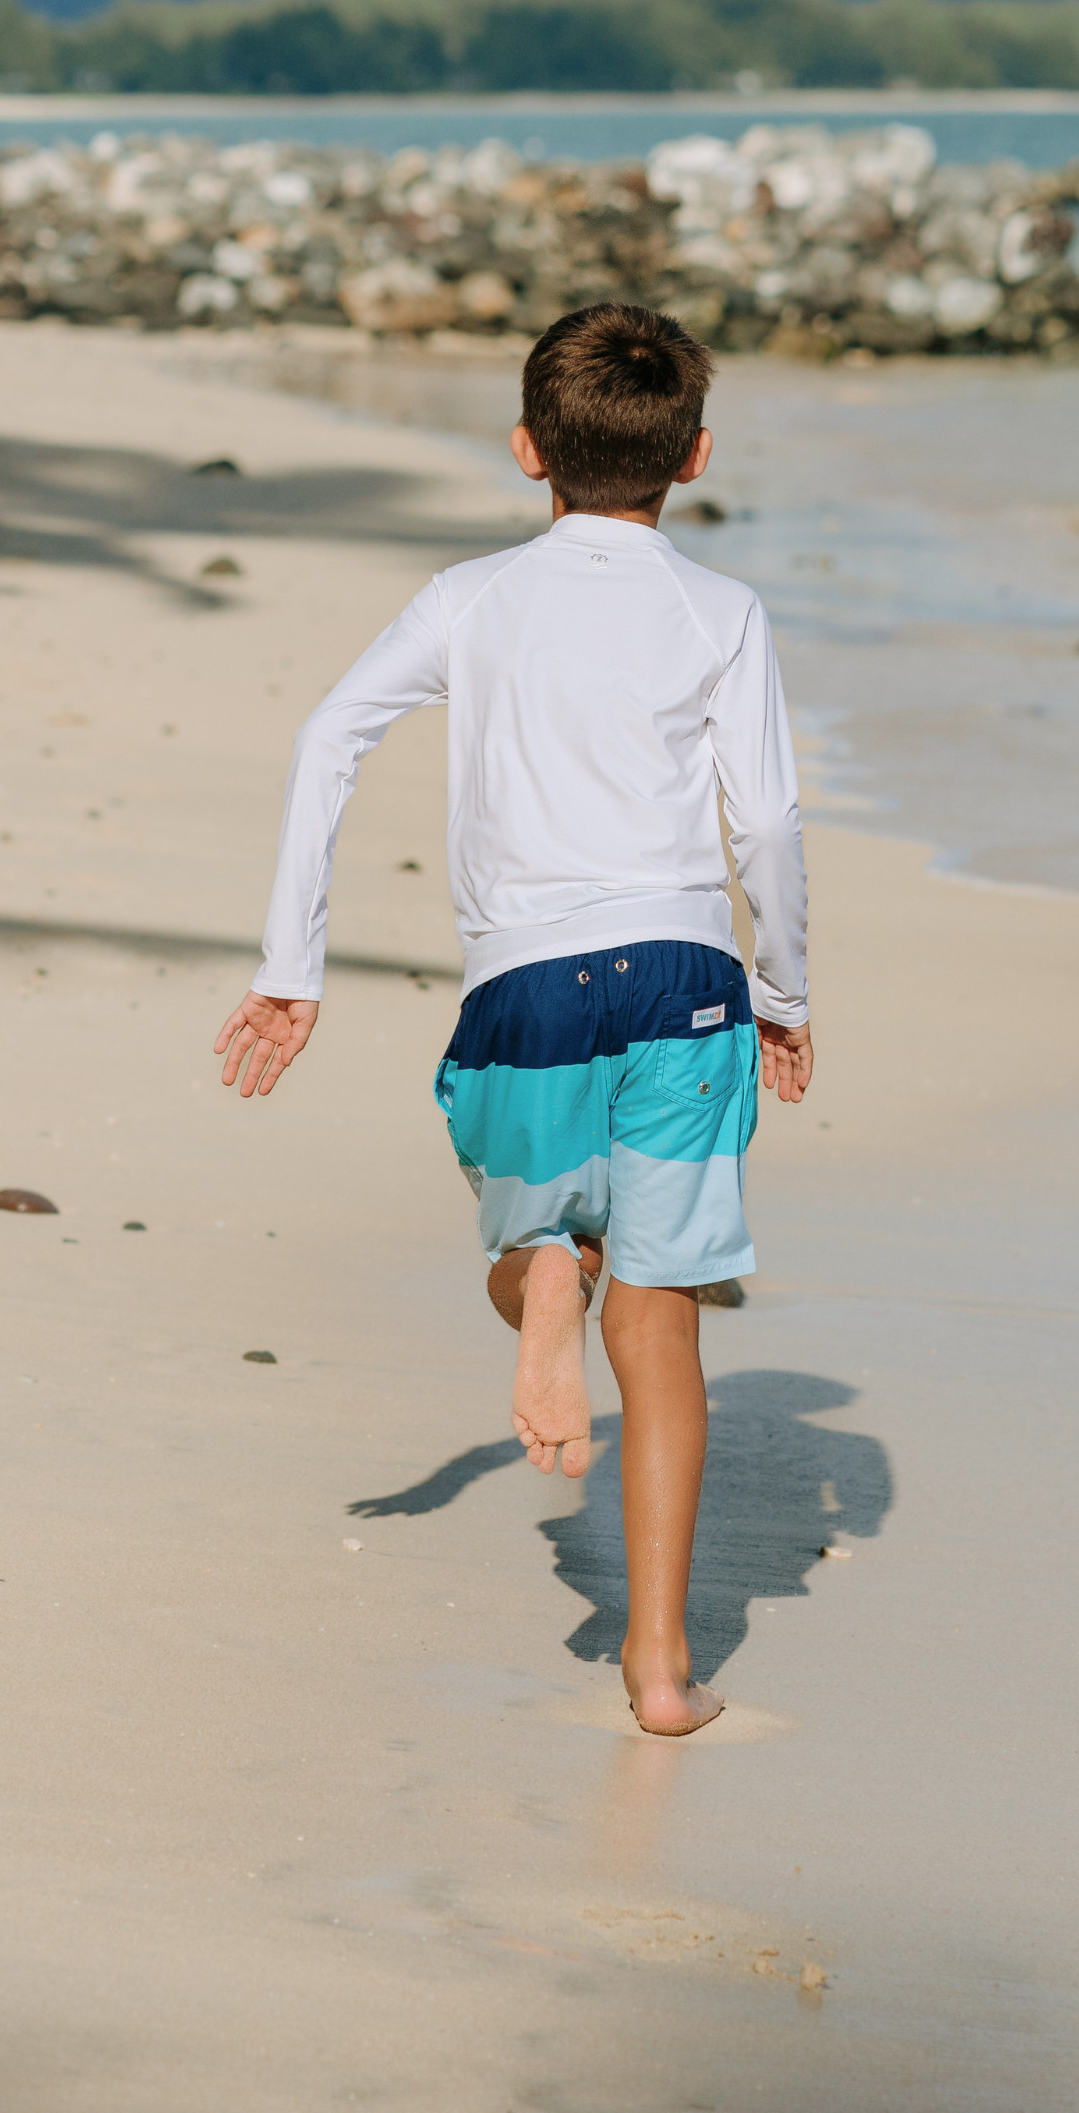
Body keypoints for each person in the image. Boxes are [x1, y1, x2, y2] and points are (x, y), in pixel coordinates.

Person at [214, 303, 812, 1739]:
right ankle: (660, 1674)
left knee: (534, 1239)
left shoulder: (469, 598)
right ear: (698, 456)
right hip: (686, 975)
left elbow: (330, 735)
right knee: (660, 1324)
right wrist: (783, 994)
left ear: (526, 450)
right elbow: (771, 818)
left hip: (526, 989)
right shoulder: (722, 611)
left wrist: (292, 963)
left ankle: (545, 1276)